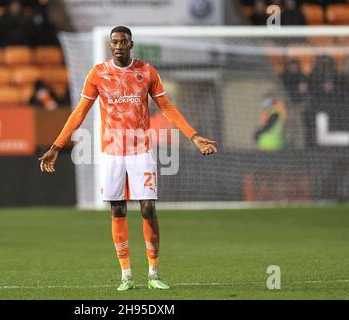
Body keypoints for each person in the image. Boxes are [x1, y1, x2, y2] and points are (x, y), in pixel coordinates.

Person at [38, 26, 217, 291]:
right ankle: (126, 274)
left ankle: (154, 272)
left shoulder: (146, 72)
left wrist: (193, 135)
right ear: (110, 46)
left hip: (141, 151)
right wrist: (57, 145)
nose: (119, 45)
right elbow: (79, 112)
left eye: (123, 41)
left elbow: (166, 107)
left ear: (131, 44)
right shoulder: (98, 74)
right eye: (114, 42)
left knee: (148, 208)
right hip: (111, 152)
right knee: (118, 209)